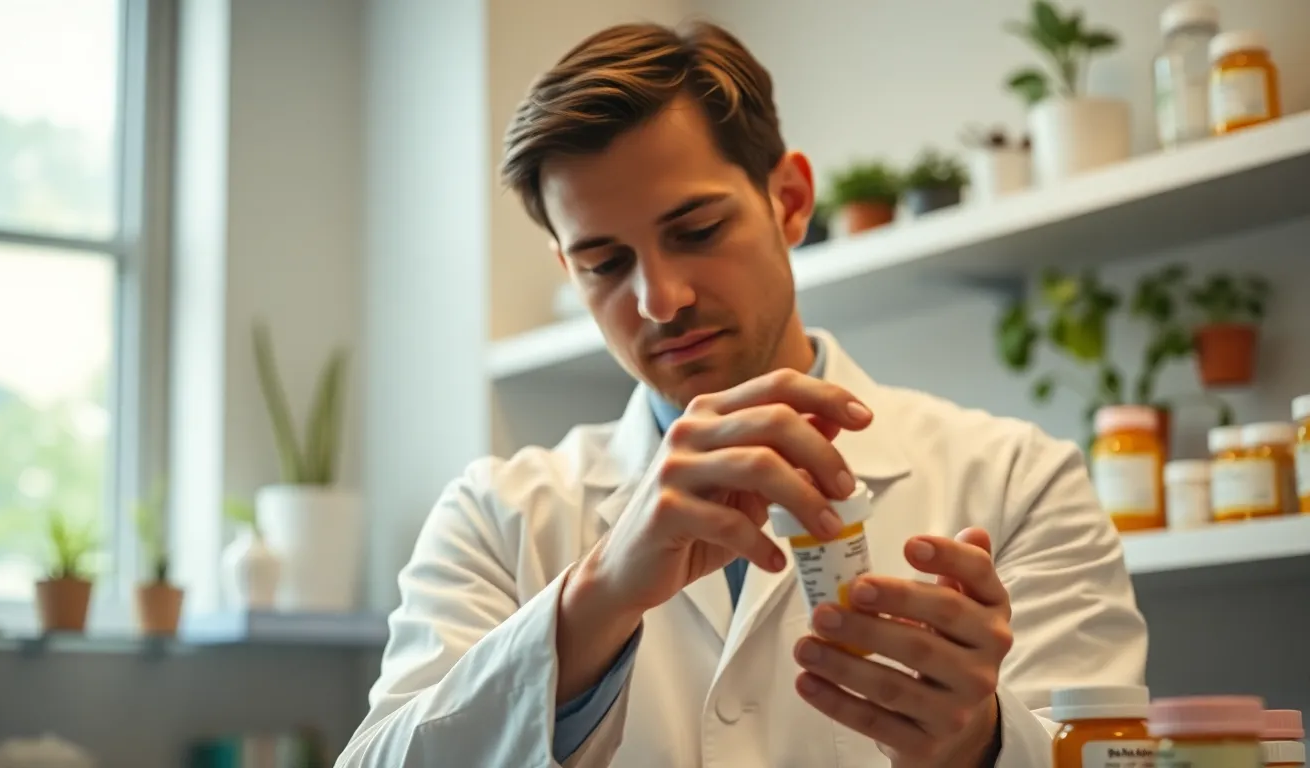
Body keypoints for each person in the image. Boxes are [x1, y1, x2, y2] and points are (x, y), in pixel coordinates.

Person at [336, 20, 1148, 768]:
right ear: (569, 271)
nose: (661, 299)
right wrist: (598, 595)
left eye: (696, 231)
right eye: (605, 264)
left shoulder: (1018, 480)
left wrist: (981, 743)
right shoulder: (496, 514)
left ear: (789, 202)